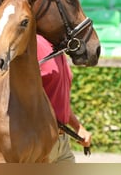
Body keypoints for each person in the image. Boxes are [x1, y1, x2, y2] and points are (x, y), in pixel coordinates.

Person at [37, 34, 92, 163]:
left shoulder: (58, 49)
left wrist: (78, 127)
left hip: (63, 142)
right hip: (41, 142)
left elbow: (61, 102)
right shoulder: (34, 43)